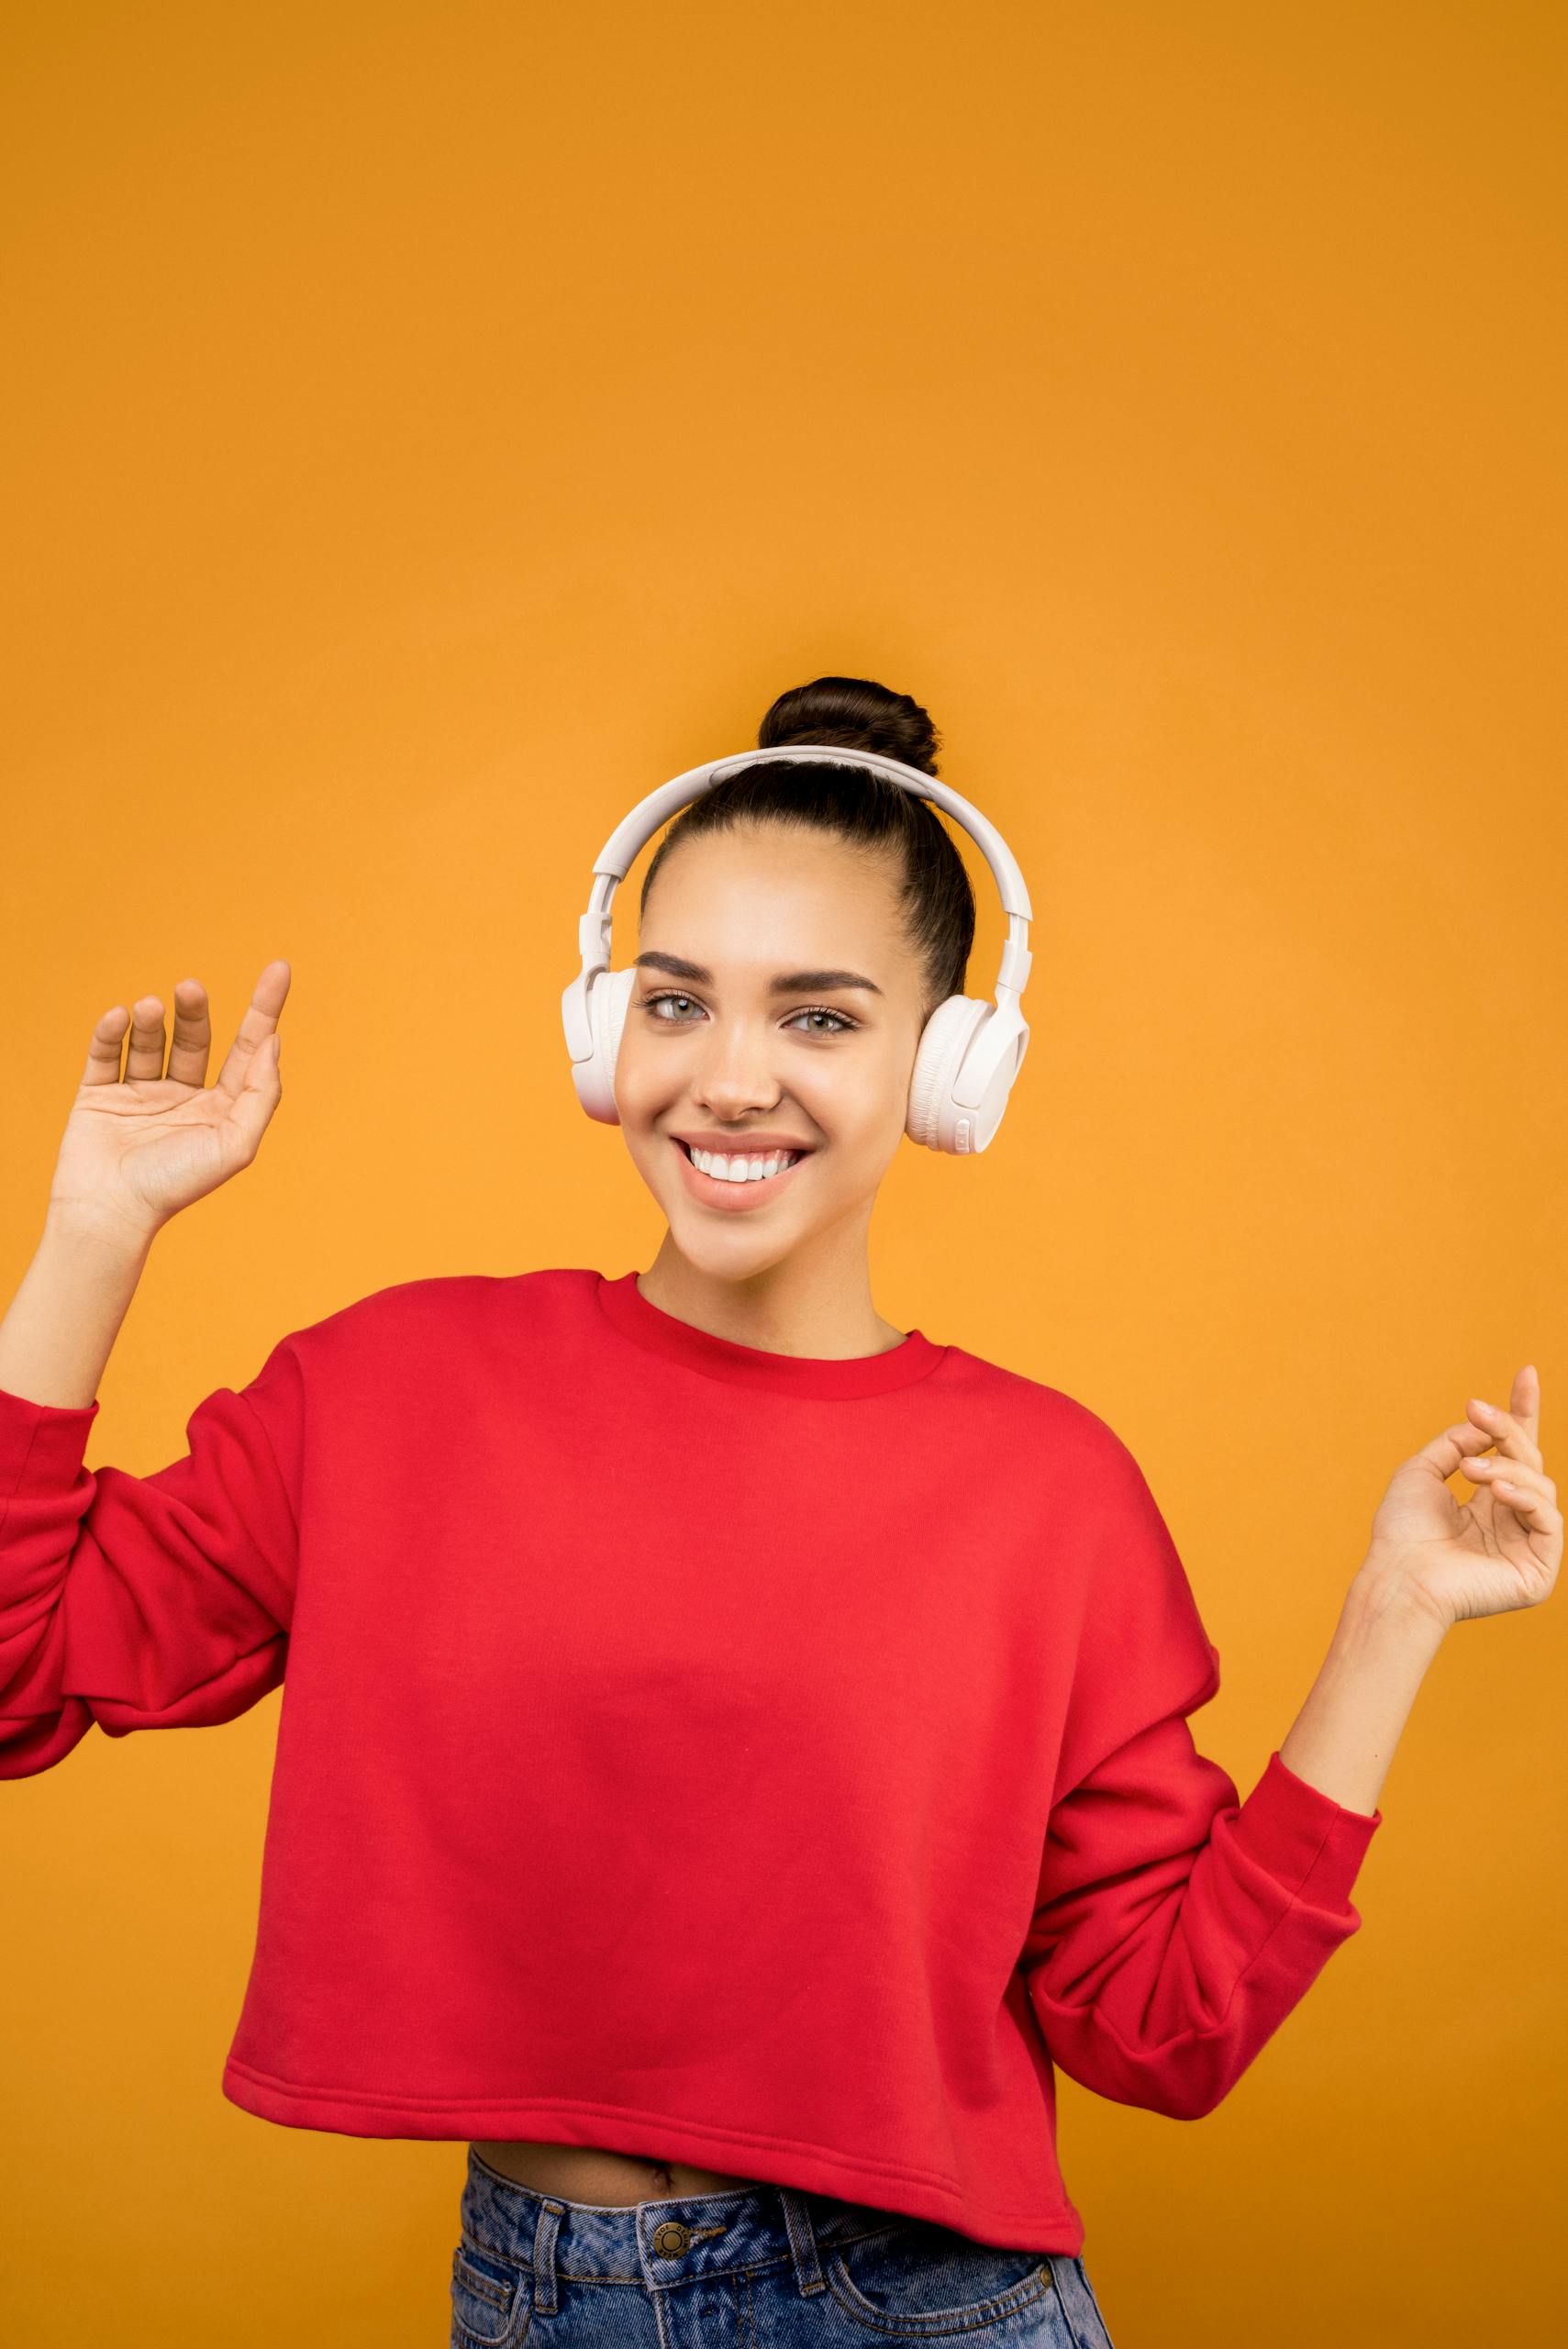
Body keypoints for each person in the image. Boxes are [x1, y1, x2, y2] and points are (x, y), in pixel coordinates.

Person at [1, 675, 1557, 2348]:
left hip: (921, 2307)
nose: (730, 1079)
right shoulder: (384, 1388)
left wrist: (1395, 1613)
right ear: (604, 1035)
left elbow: (1161, 2033)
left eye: (817, 1018)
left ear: (947, 1065)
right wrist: (96, 1228)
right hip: (535, 2299)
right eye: (677, 1002)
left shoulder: (1046, 1494)